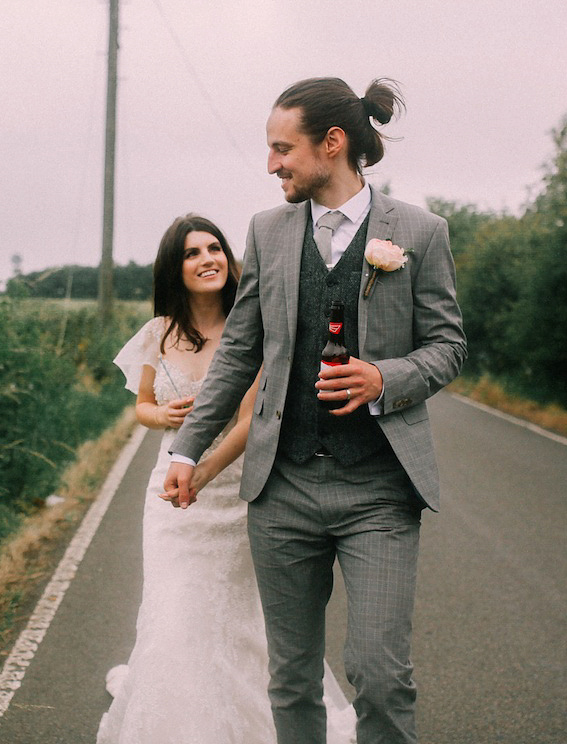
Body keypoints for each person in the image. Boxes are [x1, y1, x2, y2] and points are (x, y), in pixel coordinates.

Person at [164, 77, 466, 744]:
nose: (272, 164)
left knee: (380, 674)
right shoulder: (267, 233)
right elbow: (240, 350)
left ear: (332, 144)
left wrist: (384, 376)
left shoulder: (419, 231)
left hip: (380, 491)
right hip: (283, 490)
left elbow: (448, 347)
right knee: (291, 676)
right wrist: (188, 449)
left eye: (282, 148)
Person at [98, 214, 357, 744]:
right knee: (172, 612)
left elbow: (250, 421)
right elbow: (142, 407)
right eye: (192, 253)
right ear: (176, 268)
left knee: (241, 616)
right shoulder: (158, 334)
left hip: (237, 490)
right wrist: (166, 420)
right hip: (170, 495)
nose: (207, 259)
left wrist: (203, 468)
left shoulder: (253, 328)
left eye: (214, 248)